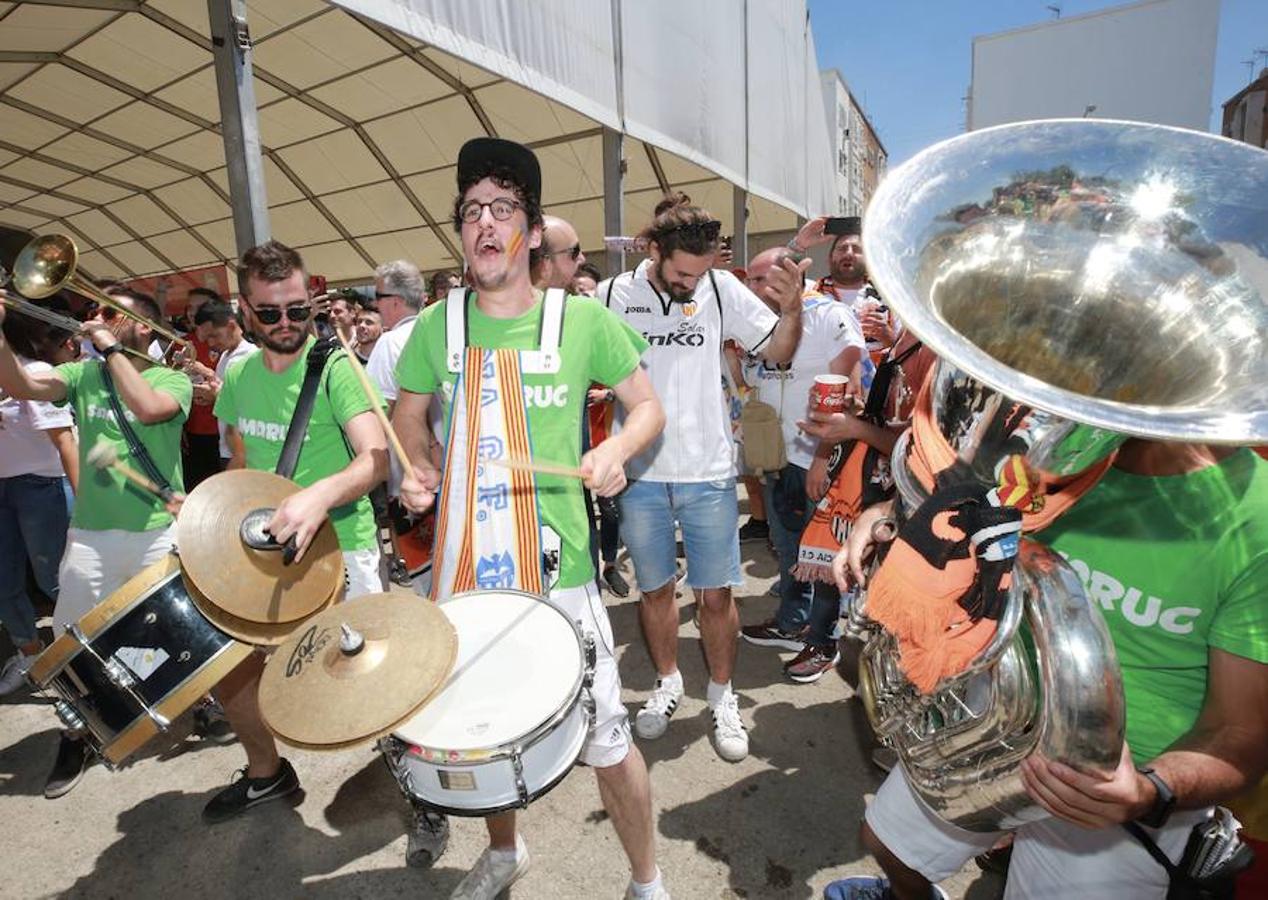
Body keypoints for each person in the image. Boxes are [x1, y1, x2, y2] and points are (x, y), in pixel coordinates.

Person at [393, 136, 670, 900]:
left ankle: (647, 880)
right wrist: (416, 466)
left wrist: (616, 446)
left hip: (562, 568)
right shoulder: (437, 327)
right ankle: (507, 852)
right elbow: (408, 416)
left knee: (608, 736)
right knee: (479, 727)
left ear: (532, 229)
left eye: (503, 209)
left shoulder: (579, 322)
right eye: (472, 211)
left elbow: (647, 407)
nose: (486, 224)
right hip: (463, 569)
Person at [826, 440, 1268, 900]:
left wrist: (1146, 791)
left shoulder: (1260, 520)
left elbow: (1241, 733)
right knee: (890, 846)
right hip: (991, 733)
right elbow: (964, 502)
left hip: (1113, 789)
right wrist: (885, 516)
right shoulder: (1062, 452)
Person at [601, 193, 808, 763]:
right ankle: (667, 684)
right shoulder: (614, 295)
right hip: (640, 476)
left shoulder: (718, 287)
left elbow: (781, 351)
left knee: (715, 596)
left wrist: (792, 310)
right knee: (656, 591)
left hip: (710, 474)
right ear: (652, 251)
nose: (691, 283)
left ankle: (722, 695)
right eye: (681, 273)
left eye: (700, 272)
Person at [203, 240, 389, 825]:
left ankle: (416, 782)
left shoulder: (336, 367)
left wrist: (317, 499)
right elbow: (241, 462)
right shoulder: (237, 376)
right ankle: (268, 773)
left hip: (341, 549)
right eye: (270, 313)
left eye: (296, 309)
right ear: (245, 310)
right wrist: (210, 514)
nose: (286, 324)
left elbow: (375, 458)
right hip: (263, 552)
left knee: (375, 684)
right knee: (229, 666)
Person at [0, 288, 190, 798]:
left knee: (176, 632)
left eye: (109, 313)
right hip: (93, 536)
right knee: (67, 641)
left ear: (142, 328)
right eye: (95, 312)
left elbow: (149, 409)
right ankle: (77, 733)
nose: (94, 318)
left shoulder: (172, 378)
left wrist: (106, 347)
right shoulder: (82, 376)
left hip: (158, 532)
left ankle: (200, 704)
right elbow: (18, 383)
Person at [736, 247, 865, 683]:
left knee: (824, 556)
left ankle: (824, 642)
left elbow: (848, 392)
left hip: (817, 462)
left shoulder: (829, 316)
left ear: (791, 275)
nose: (753, 289)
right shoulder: (760, 323)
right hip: (775, 460)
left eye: (761, 279)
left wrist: (823, 460)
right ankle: (791, 623)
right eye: (750, 281)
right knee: (791, 550)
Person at [0, 307, 78, 695]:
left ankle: (88, 653)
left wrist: (82, 501)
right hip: (4, 489)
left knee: (55, 580)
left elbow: (65, 441)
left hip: (41, 486)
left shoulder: (38, 372)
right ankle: (30, 653)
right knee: (4, 582)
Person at [202, 300, 257, 470]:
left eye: (214, 335)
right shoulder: (226, 354)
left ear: (231, 325)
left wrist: (215, 395)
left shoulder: (250, 357)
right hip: (227, 448)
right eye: (207, 337)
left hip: (244, 451)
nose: (210, 343)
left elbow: (249, 405)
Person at [179, 287, 223, 491]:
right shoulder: (183, 343)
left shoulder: (224, 343)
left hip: (222, 432)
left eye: (200, 307)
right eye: (190, 307)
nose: (193, 312)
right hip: (192, 431)